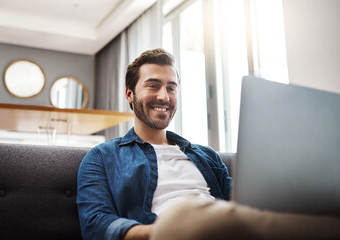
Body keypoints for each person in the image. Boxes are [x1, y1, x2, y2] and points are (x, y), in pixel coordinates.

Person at [76, 48, 340, 240]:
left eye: (171, 87)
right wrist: (165, 232)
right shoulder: (101, 157)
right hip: (170, 228)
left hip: (224, 229)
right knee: (184, 216)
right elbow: (96, 225)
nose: (164, 96)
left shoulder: (205, 155)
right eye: (153, 86)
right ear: (130, 94)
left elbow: (242, 206)